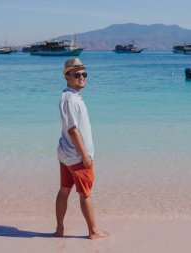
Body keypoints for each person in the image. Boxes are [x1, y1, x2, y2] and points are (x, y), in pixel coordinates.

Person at [55, 58, 109, 240]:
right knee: (86, 193)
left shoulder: (73, 97)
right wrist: (85, 155)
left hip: (66, 154)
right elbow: (72, 130)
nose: (81, 77)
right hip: (76, 155)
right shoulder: (70, 100)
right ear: (67, 77)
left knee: (64, 189)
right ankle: (93, 231)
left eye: (84, 74)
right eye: (76, 74)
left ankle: (60, 229)